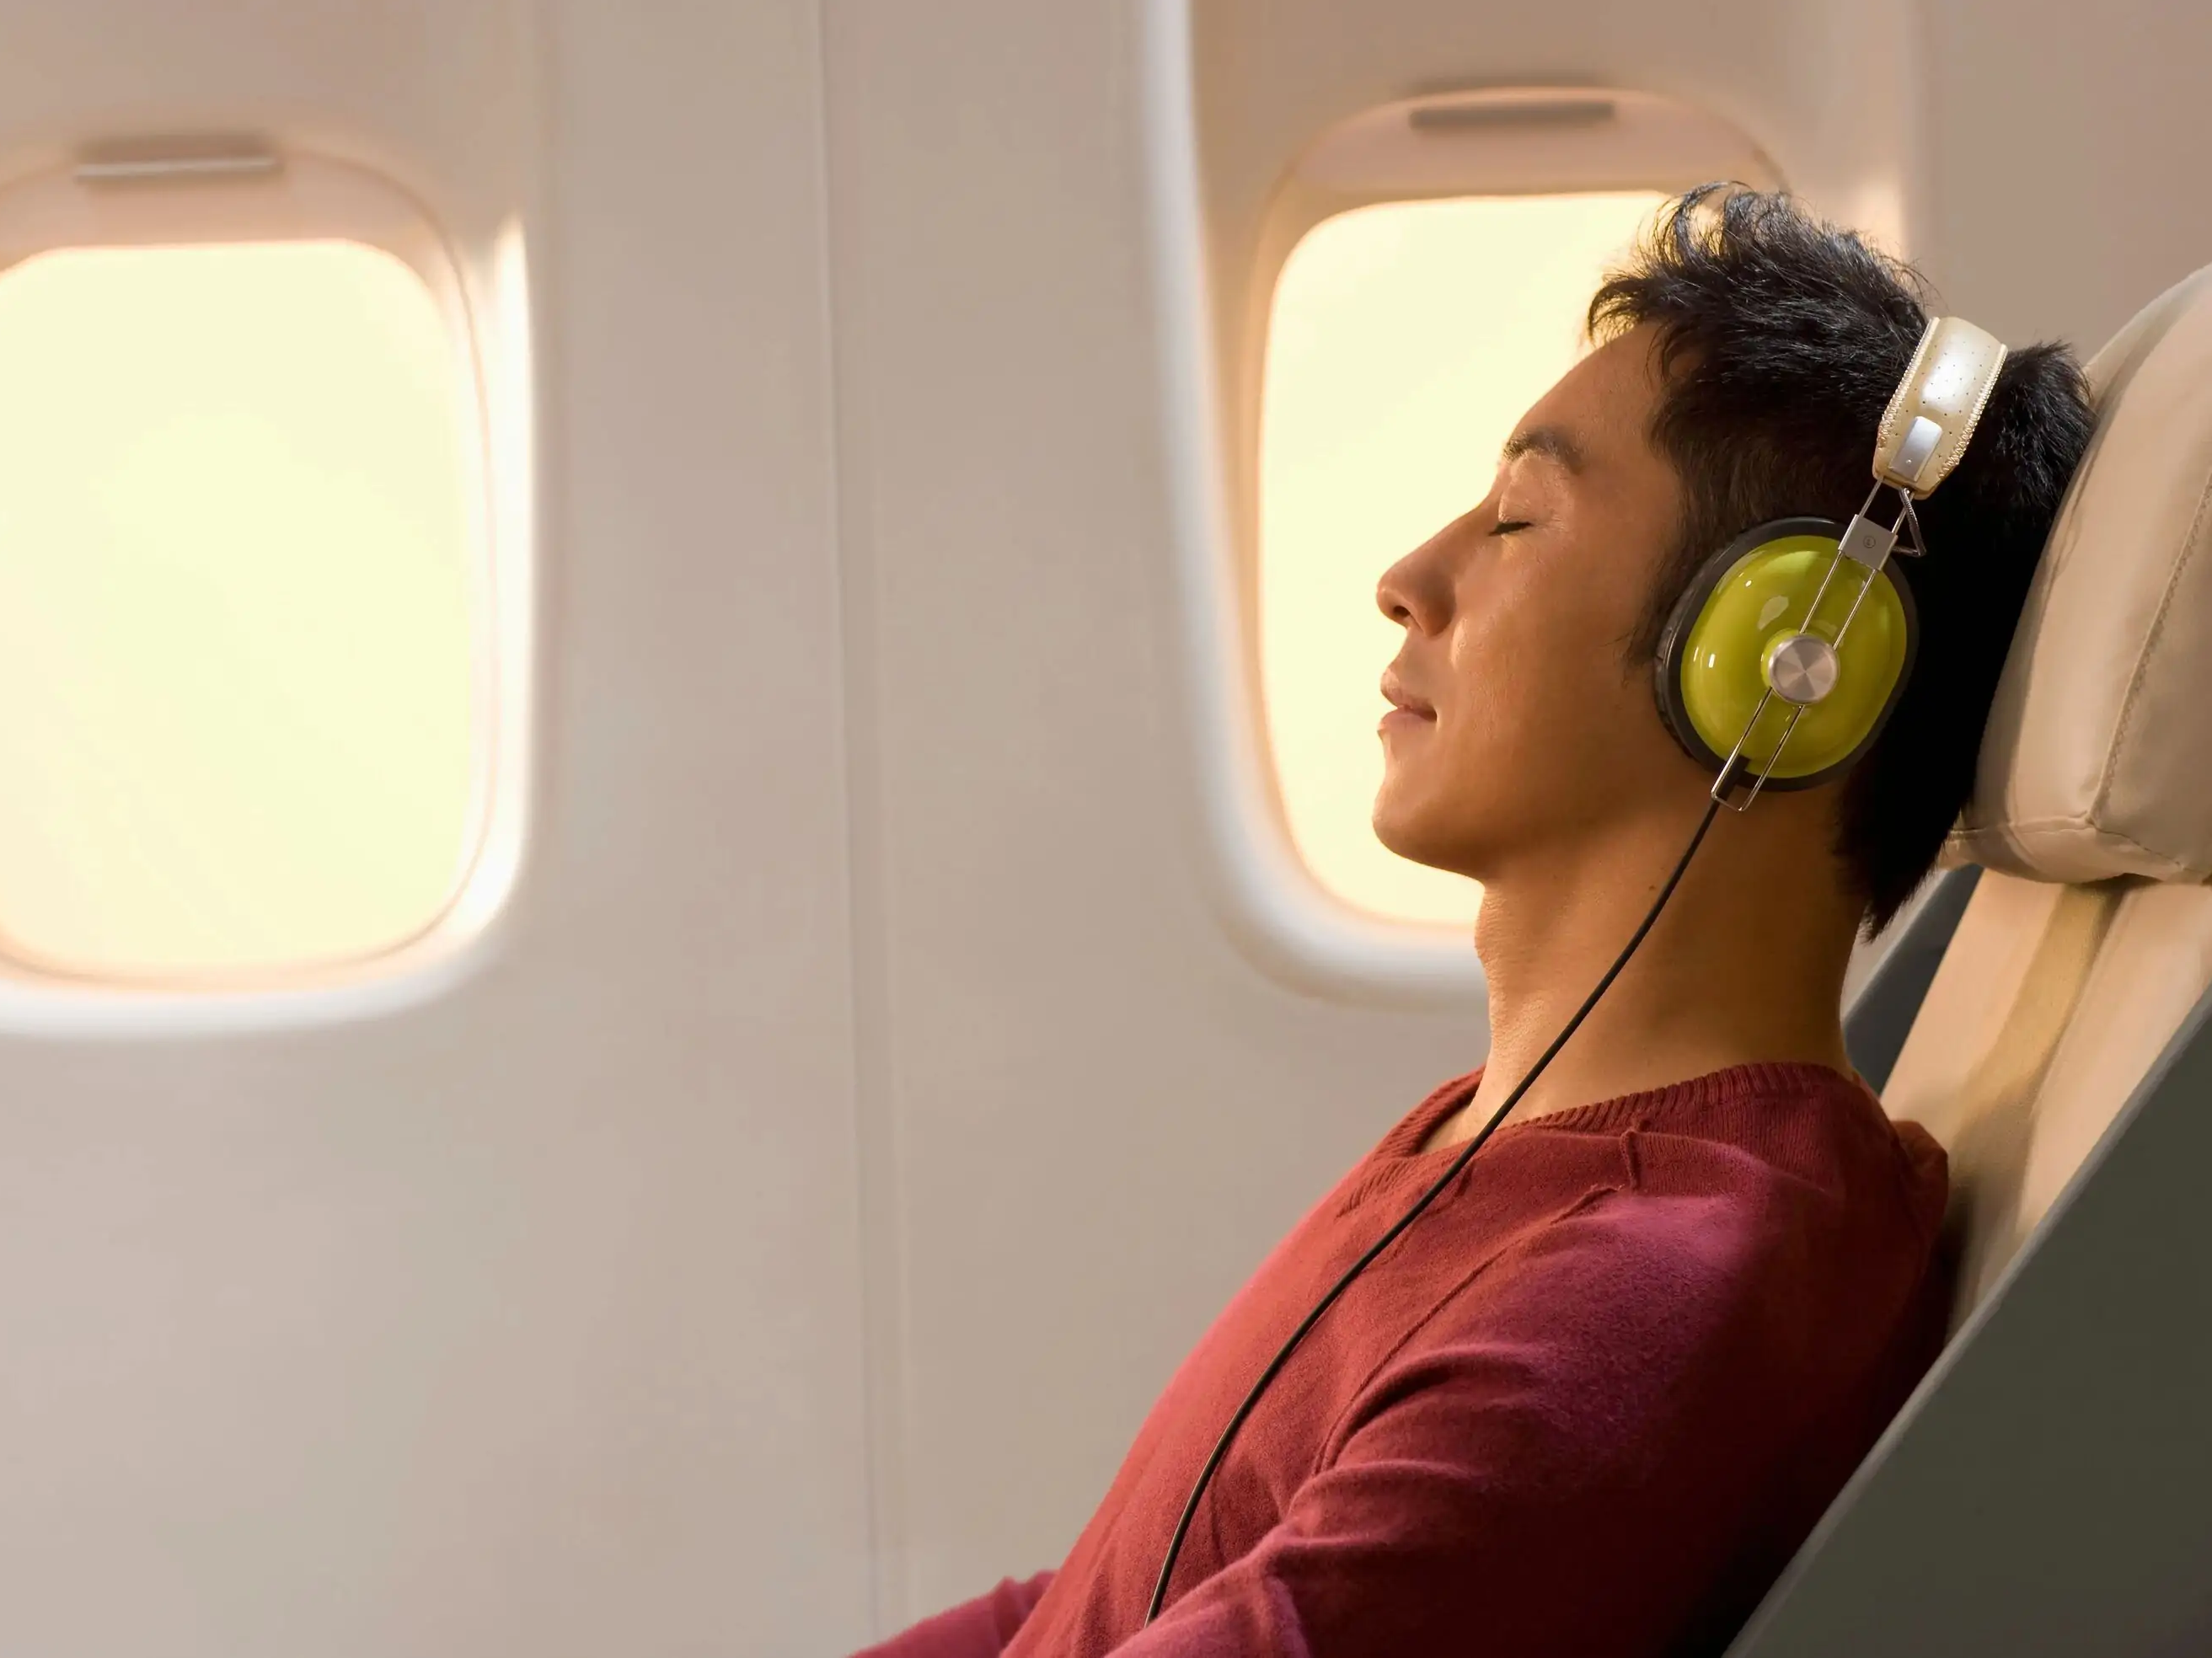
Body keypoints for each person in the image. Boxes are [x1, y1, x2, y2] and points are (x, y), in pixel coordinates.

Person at [854, 186, 2096, 1658]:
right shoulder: (1497, 1146)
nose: (1407, 580)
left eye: (1517, 517)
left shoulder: (1650, 1295)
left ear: (1780, 655)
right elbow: (1101, 1593)